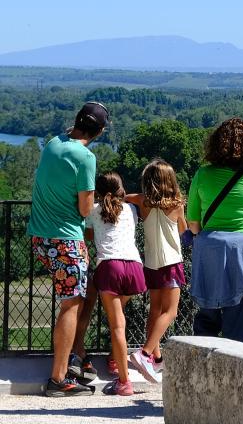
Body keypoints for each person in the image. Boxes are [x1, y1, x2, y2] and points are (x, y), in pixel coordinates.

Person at [28, 101, 109, 397]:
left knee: (71, 301)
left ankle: (73, 363)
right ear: (99, 130)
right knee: (72, 303)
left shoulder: (53, 144)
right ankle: (59, 378)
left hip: (40, 236)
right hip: (65, 239)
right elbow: (86, 207)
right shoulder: (85, 157)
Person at [186, 118, 243, 342]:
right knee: (239, 321)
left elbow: (193, 224)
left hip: (209, 250)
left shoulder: (202, 175)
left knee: (207, 318)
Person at [85, 172, 146, 396]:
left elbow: (90, 235)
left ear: (98, 192)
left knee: (117, 326)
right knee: (120, 317)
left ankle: (124, 381)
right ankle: (114, 358)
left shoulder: (93, 210)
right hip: (135, 267)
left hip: (110, 267)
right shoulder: (131, 209)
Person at [126, 159, 187, 382]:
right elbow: (183, 231)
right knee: (170, 312)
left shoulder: (142, 202)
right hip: (171, 263)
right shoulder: (177, 204)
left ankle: (158, 359)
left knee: (155, 311)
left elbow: (124, 196)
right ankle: (144, 353)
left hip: (151, 264)